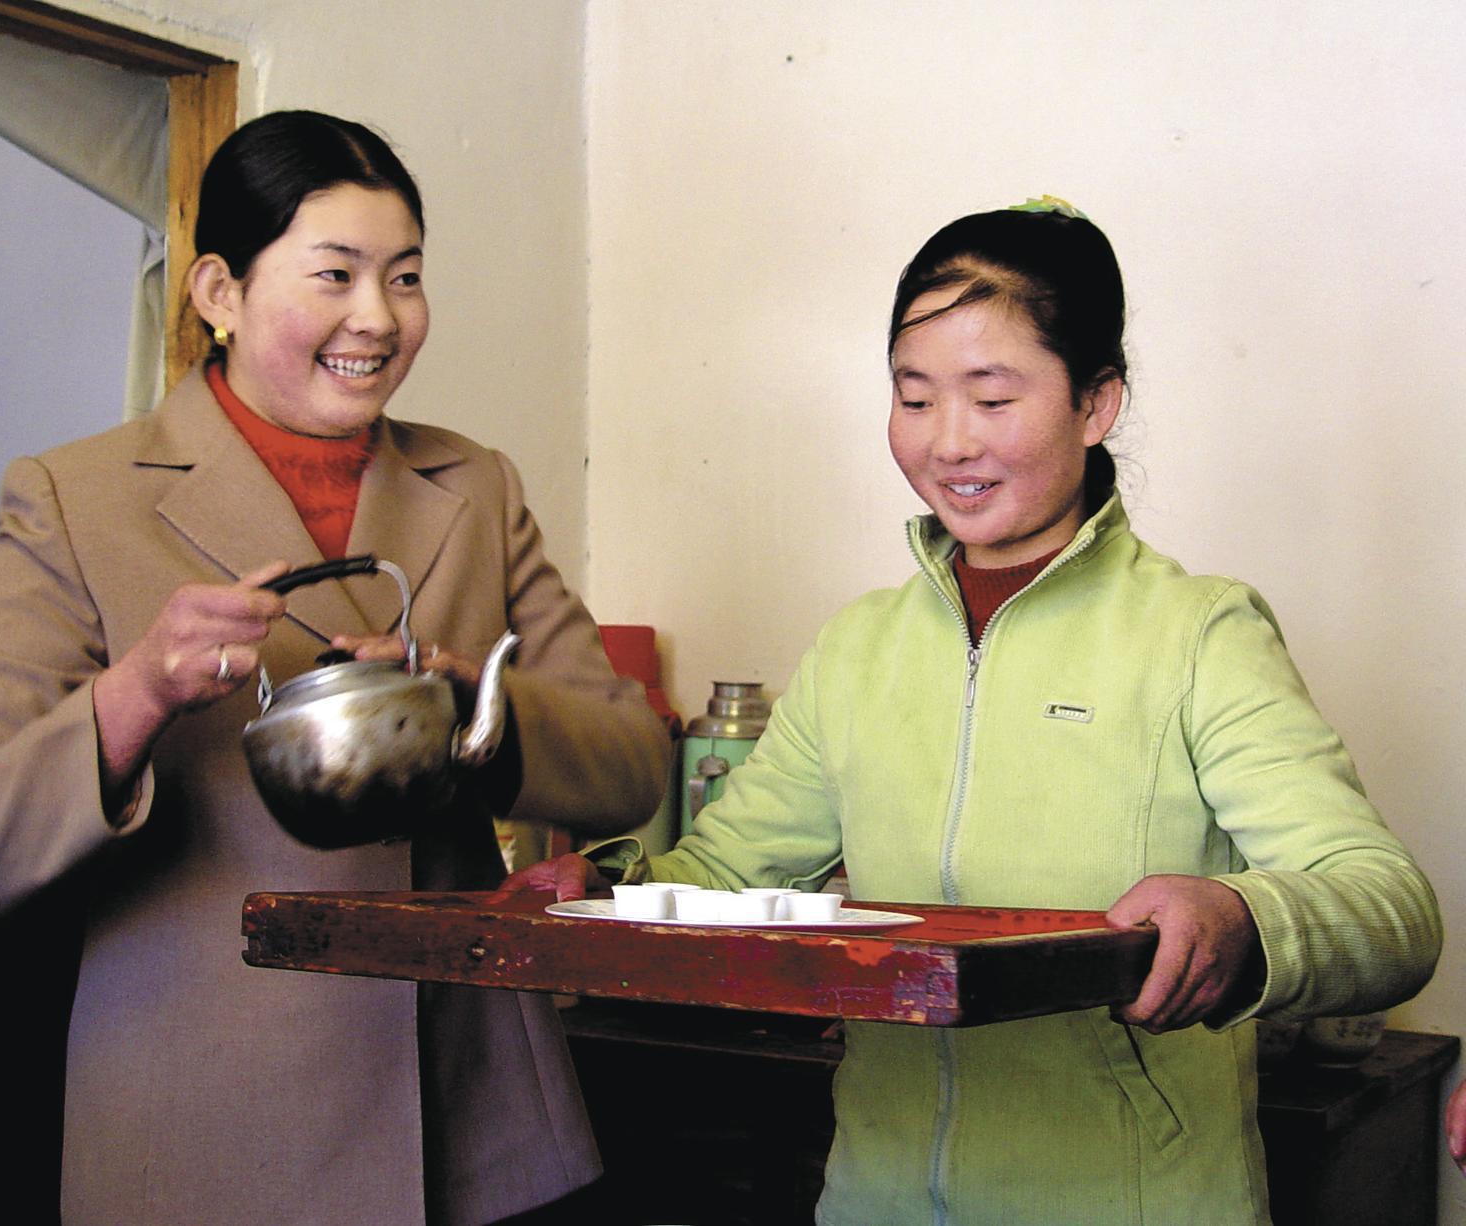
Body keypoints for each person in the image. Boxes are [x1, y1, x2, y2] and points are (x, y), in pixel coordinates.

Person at [501, 201, 1441, 1224]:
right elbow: (726, 876)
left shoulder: (1196, 632)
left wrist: (1242, 920)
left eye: (992, 398)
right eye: (914, 397)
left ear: (1096, 403)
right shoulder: (859, 648)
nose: (948, 441)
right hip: (877, 1199)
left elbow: (1388, 907)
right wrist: (605, 889)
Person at [0, 110, 669, 1225]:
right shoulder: (77, 499)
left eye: (405, 277)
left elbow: (630, 762)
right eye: (335, 274)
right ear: (220, 291)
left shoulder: (475, 484)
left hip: (474, 1120)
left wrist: (464, 704)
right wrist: (138, 691)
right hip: (209, 1129)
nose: (378, 317)